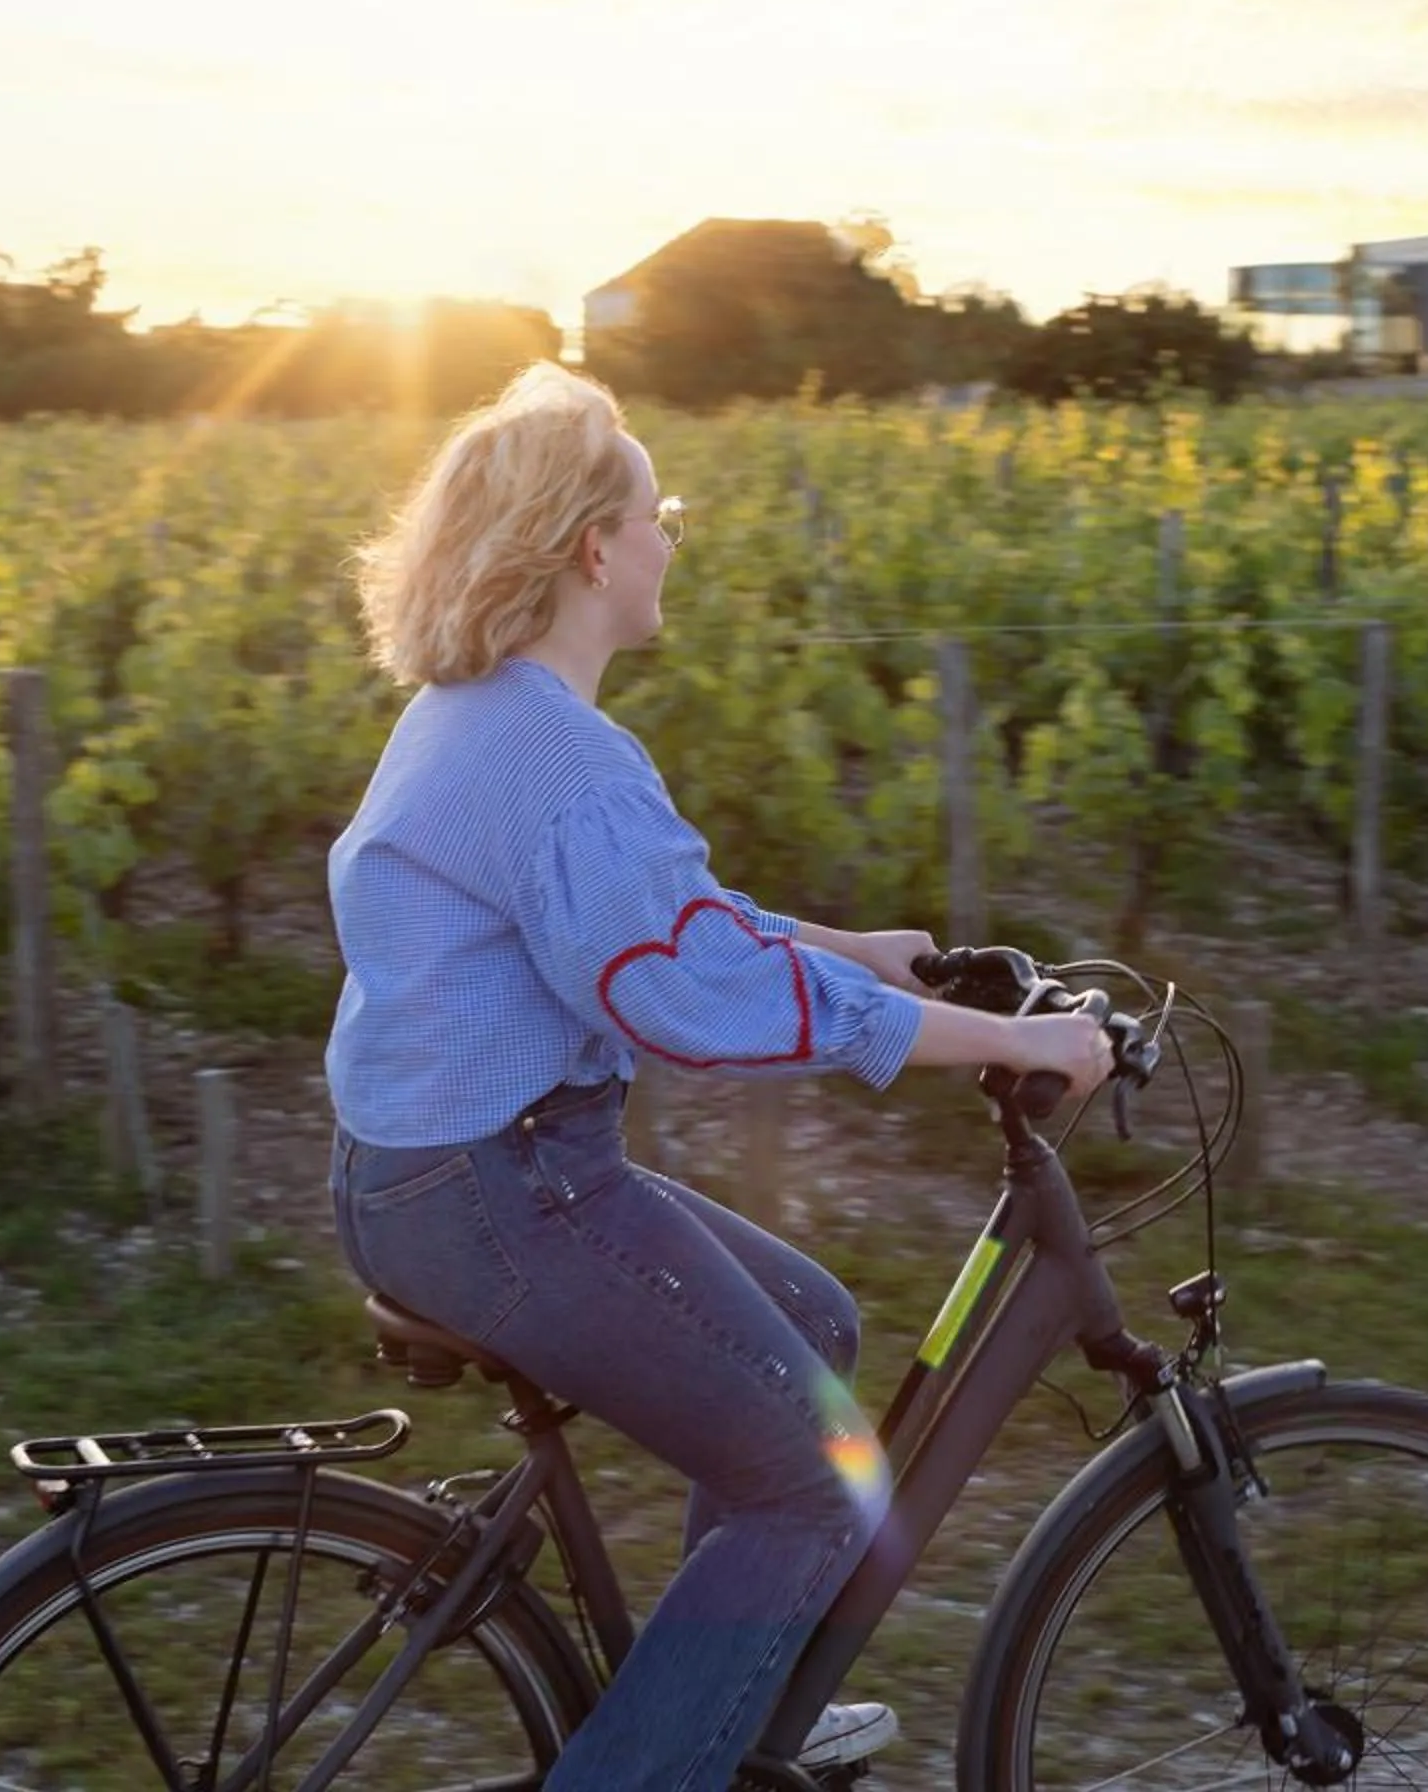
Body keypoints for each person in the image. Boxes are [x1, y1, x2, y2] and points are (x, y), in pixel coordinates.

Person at [323, 362, 1112, 1790]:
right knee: (813, 1488)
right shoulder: (566, 756)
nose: (673, 535)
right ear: (592, 547)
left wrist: (857, 953)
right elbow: (692, 997)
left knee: (807, 1319)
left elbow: (663, 924)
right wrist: (1011, 1042)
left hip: (438, 1176)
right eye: (659, 509)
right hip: (510, 1196)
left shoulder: (481, 714)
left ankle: (725, 1713)